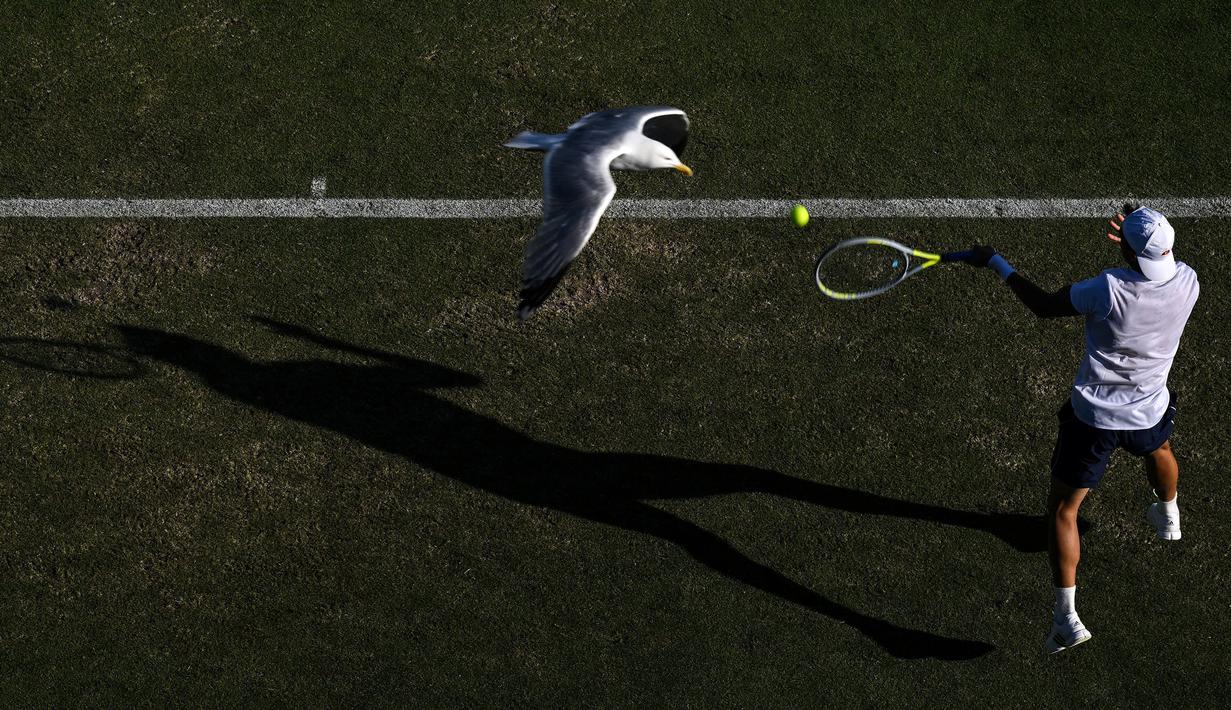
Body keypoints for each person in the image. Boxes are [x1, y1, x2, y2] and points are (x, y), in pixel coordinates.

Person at [965, 205, 1199, 654]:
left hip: (1094, 419)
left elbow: (1043, 305)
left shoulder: (1107, 289)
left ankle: (1065, 619)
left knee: (1063, 511)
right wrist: (1137, 236)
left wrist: (996, 262)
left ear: (1128, 253)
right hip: (1149, 408)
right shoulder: (1189, 281)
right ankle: (1169, 516)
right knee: (1159, 448)